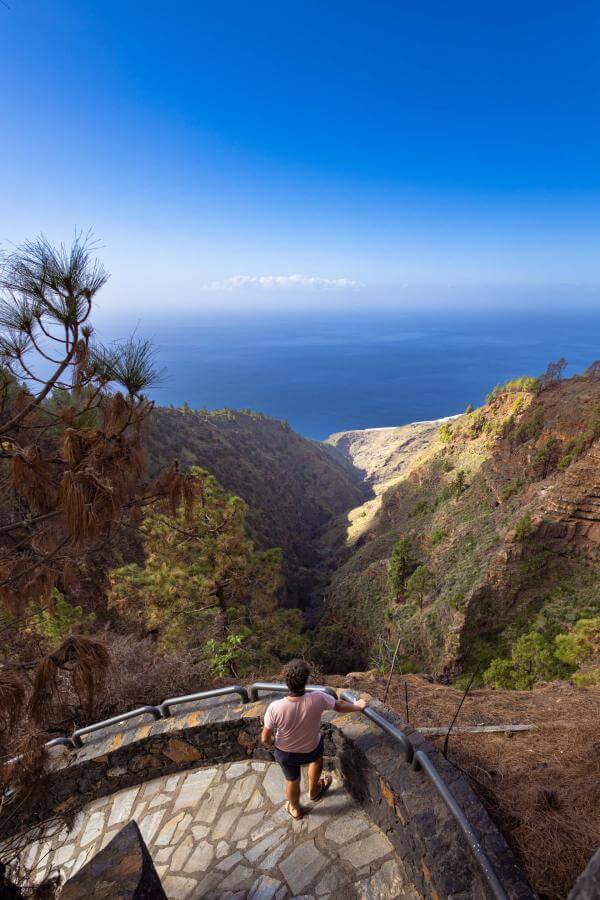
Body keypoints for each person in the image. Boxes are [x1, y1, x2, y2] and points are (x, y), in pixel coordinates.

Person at [261, 659, 367, 820]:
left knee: (292, 780)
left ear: (286, 682)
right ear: (306, 681)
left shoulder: (275, 707)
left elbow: (265, 738)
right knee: (316, 760)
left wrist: (275, 742)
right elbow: (339, 706)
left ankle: (295, 809)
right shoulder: (318, 698)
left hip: (286, 753)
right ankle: (314, 791)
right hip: (311, 747)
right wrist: (358, 706)